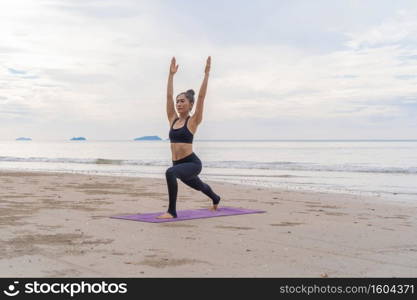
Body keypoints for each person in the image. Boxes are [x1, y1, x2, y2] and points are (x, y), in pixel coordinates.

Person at [157, 56, 221, 219]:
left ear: (190, 104)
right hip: (178, 164)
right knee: (200, 186)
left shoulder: (193, 121)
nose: (178, 104)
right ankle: (215, 198)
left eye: (182, 101)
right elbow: (168, 96)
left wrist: (206, 74)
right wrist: (171, 75)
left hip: (192, 163)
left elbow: (201, 97)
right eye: (177, 101)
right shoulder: (173, 119)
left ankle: (172, 212)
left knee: (170, 173)